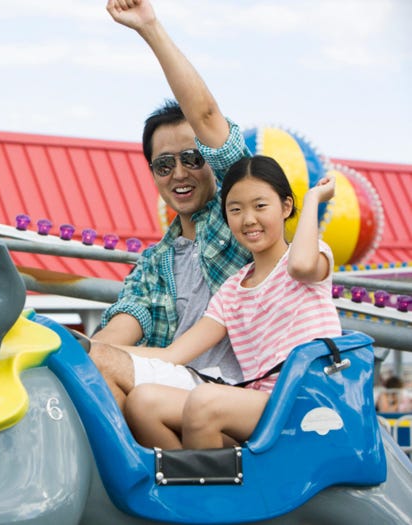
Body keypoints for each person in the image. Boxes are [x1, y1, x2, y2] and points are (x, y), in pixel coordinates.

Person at [113, 156, 342, 449]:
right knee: (143, 402)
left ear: (286, 207)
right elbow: (173, 354)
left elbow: (300, 266)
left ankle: (208, 492)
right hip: (254, 406)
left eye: (260, 206)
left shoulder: (310, 259)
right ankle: (191, 486)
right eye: (235, 209)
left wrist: (312, 199)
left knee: (204, 401)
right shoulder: (233, 290)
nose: (248, 219)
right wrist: (94, 347)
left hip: (305, 399)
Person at [91, 0, 252, 411]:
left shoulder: (238, 218)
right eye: (164, 164)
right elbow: (128, 318)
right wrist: (84, 353)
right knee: (88, 374)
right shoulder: (154, 263)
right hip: (173, 388)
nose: (178, 173)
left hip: (238, 390)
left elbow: (206, 113)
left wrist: (149, 27)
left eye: (192, 158)